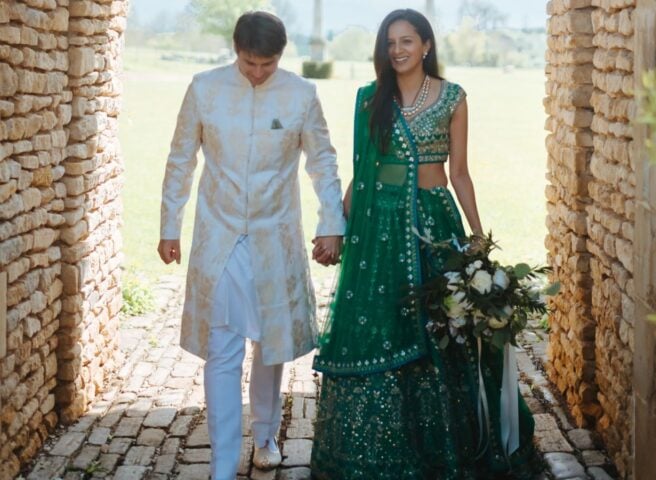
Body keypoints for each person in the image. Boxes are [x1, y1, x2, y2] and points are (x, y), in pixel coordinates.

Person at [311, 9, 540, 479]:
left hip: (433, 224)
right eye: (390, 42)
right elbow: (363, 172)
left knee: (446, 328)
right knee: (384, 326)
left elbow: (459, 173)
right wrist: (334, 224)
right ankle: (382, 452)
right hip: (379, 228)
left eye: (407, 41)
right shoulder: (370, 99)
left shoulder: (452, 97)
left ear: (426, 45)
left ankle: (450, 448)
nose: (398, 50)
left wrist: (477, 236)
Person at [157, 11, 344, 480]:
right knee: (222, 350)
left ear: (281, 56)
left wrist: (331, 223)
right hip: (219, 238)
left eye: (268, 64)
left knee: (270, 343)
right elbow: (181, 158)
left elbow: (322, 161)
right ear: (235, 50)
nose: (258, 72)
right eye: (249, 62)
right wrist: (169, 225)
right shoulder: (204, 87)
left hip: (274, 238)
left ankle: (264, 435)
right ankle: (221, 465)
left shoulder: (302, 94)